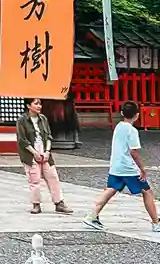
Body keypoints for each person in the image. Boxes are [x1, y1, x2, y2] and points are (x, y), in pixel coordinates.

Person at [87, 101, 160, 232]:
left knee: (111, 189)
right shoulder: (132, 131)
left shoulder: (119, 126)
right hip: (128, 167)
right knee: (147, 191)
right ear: (137, 115)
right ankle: (156, 222)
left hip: (116, 165)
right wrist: (142, 168)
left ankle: (92, 214)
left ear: (121, 113)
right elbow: (133, 151)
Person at [16, 96, 72, 216]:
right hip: (30, 152)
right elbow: (22, 140)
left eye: (40, 103)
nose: (39, 106)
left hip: (44, 150)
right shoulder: (22, 120)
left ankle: (59, 203)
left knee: (52, 176)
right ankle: (36, 204)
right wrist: (34, 152)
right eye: (36, 103)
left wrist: (47, 151)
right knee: (34, 179)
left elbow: (48, 136)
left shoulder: (43, 119)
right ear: (28, 106)